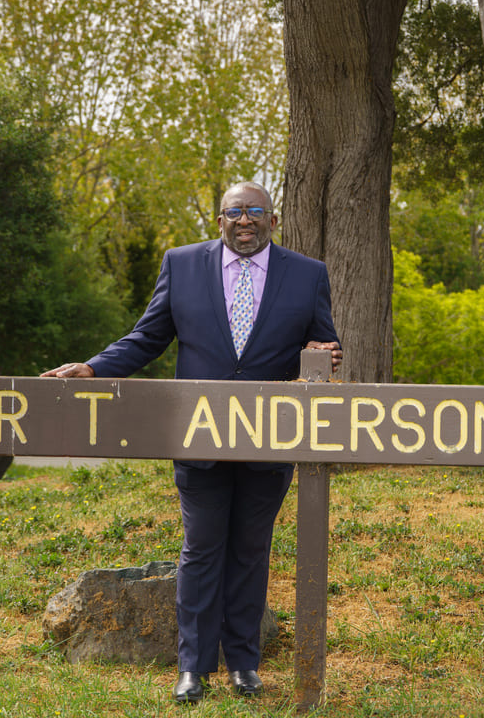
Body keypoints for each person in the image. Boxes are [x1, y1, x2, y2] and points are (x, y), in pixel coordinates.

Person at [42, 182, 341, 704]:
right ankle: (193, 668)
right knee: (201, 551)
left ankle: (244, 664)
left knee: (251, 551)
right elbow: (147, 337)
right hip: (198, 435)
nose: (244, 221)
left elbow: (322, 342)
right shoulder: (181, 265)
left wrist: (323, 353)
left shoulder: (307, 273)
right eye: (234, 213)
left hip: (269, 440)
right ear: (218, 220)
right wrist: (93, 367)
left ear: (273, 220)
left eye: (255, 212)